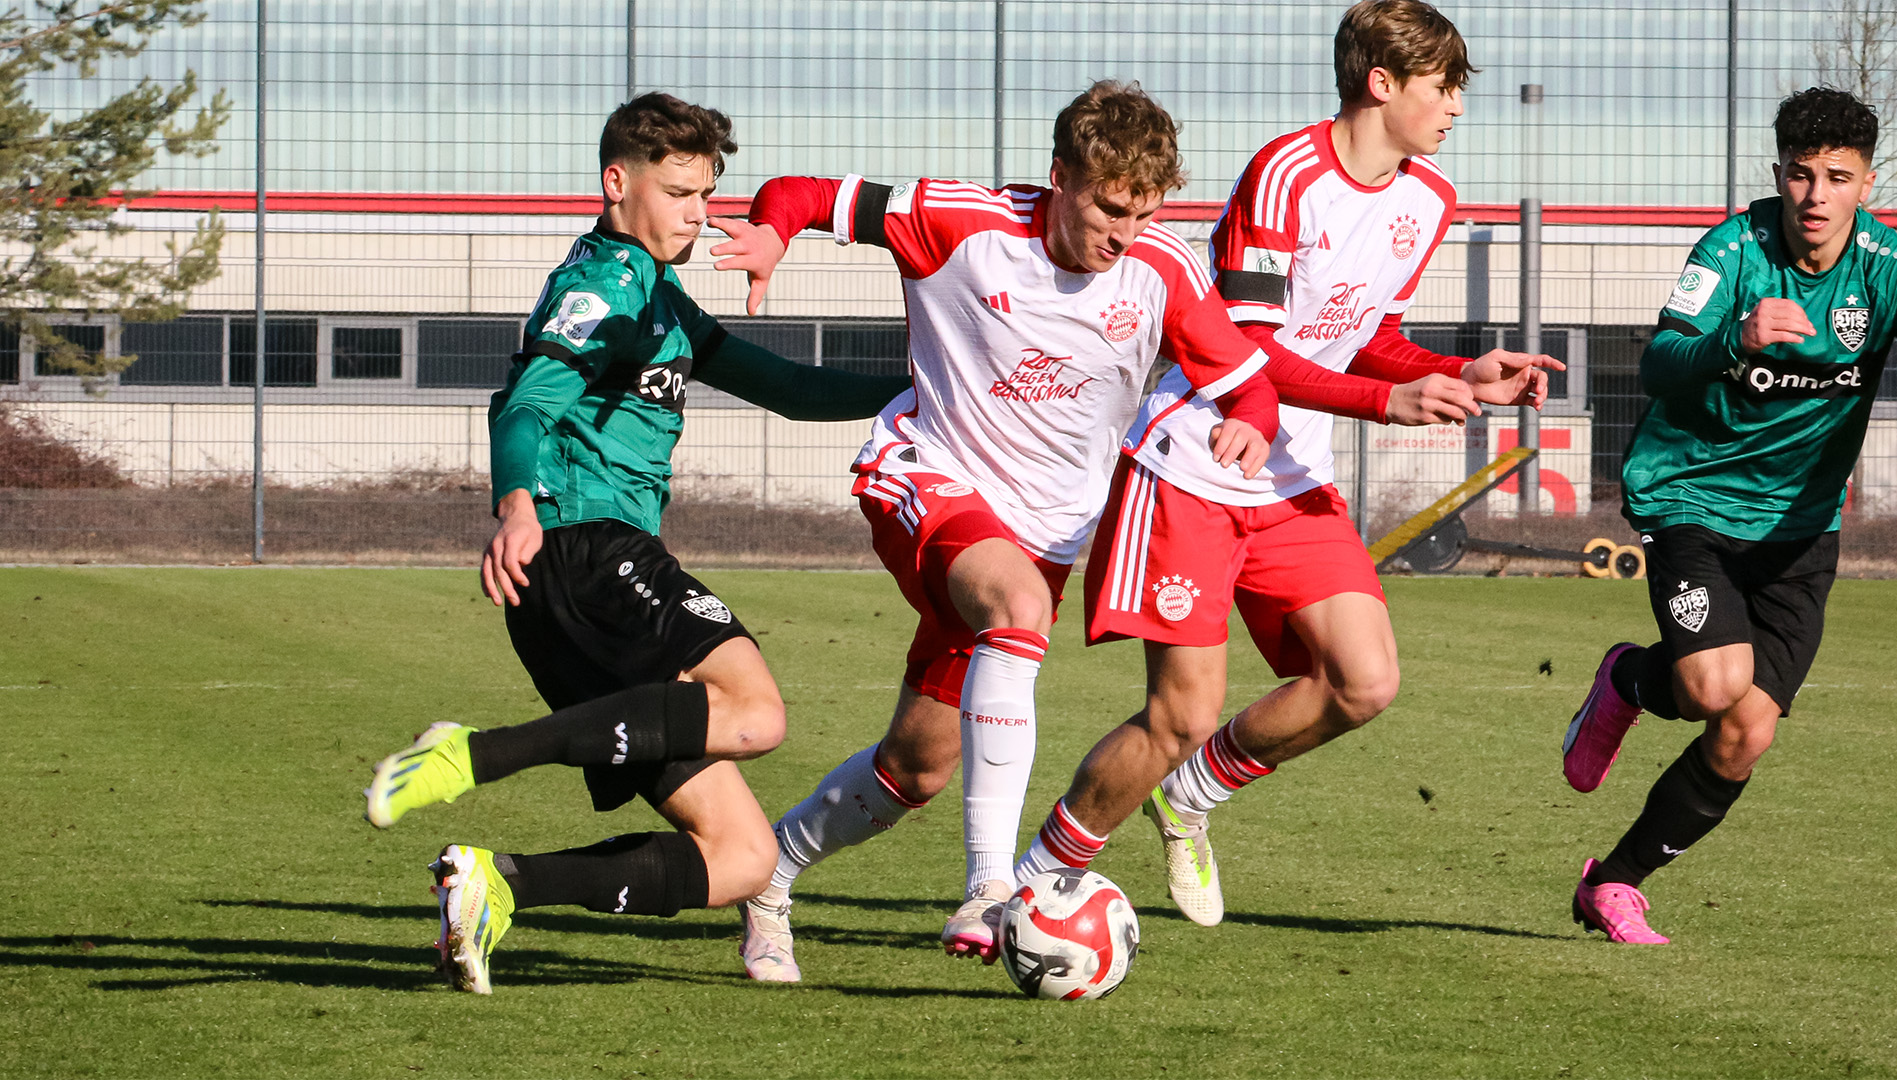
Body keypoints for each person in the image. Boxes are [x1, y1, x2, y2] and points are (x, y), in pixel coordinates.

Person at [708, 80, 1290, 981]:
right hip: (925, 478)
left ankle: (771, 876)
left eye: (1142, 211)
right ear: (1059, 176)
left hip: (1042, 537)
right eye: (1105, 205)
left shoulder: (1162, 272)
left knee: (917, 767)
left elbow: (1247, 380)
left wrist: (1249, 418)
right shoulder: (958, 220)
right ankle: (991, 888)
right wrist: (771, 232)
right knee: (1014, 607)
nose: (1122, 231)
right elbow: (804, 194)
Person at [1008, 0, 1560, 925]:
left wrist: (1454, 369)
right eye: (1444, 86)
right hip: (1191, 463)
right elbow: (1247, 353)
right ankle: (1038, 879)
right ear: (1381, 83)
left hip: (1291, 478)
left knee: (1365, 679)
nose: (1458, 105)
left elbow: (1368, 333)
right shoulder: (1285, 173)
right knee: (1178, 716)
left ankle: (1190, 798)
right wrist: (1391, 400)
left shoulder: (1429, 199)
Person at [358, 92, 910, 994]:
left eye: (708, 195)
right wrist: (517, 504)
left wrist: (931, 385)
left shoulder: (662, 296)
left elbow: (789, 387)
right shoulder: (600, 285)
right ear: (618, 184)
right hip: (585, 550)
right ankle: (470, 754)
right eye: (681, 191)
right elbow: (532, 400)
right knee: (757, 712)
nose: (701, 213)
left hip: (576, 591)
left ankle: (498, 884)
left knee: (740, 855)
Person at [1561, 86, 1897, 944]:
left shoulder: (1892, 268)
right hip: (1690, 497)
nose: (1816, 196)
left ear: (1867, 183)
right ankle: (1630, 681)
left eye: (1838, 177)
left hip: (1801, 527)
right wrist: (1738, 340)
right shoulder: (1732, 250)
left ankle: (1613, 883)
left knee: (1745, 732)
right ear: (1779, 176)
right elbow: (1659, 363)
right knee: (1714, 685)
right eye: (1801, 175)